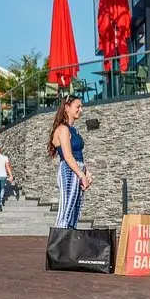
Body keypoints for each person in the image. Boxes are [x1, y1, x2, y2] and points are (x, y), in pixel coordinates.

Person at [50, 96, 92, 229]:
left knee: (75, 211)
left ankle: (69, 245)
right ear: (67, 108)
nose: (81, 110)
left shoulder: (74, 130)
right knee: (66, 210)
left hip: (78, 169)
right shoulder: (63, 129)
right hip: (69, 170)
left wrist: (87, 172)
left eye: (81, 107)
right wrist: (81, 175)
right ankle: (58, 246)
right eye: (78, 106)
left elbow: (79, 155)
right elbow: (68, 156)